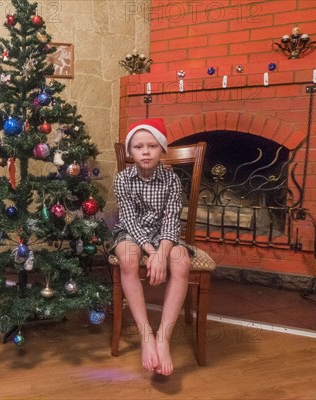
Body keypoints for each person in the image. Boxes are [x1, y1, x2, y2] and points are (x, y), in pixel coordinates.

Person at [112, 118, 191, 376]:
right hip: (133, 233)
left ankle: (163, 337)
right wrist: (153, 253)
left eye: (152, 146)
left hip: (163, 234)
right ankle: (146, 335)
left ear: (162, 150)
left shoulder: (172, 181)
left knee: (182, 262)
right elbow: (128, 220)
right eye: (138, 147)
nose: (145, 151)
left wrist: (164, 250)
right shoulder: (122, 179)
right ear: (130, 152)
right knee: (128, 257)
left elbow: (171, 220)